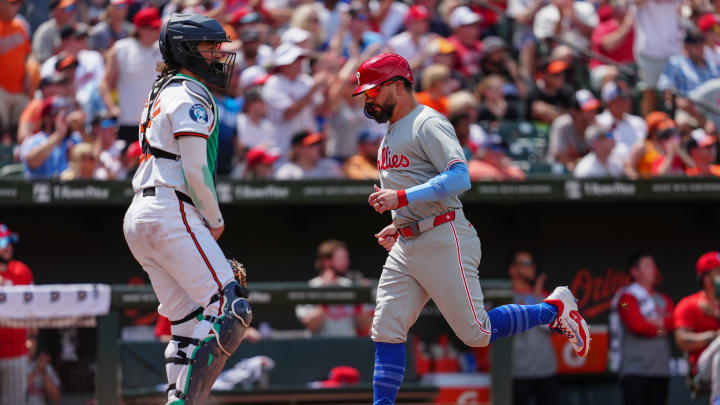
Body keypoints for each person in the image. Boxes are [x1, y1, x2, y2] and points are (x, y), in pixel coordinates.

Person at [354, 53, 590, 405]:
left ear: (398, 86)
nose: (368, 99)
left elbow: (458, 177)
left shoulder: (426, 122)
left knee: (477, 333)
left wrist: (401, 198)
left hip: (443, 235)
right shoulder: (391, 132)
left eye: (374, 91)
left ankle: (553, 309)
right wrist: (399, 221)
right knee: (385, 328)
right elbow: (417, 188)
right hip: (409, 241)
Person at [122, 14, 252, 405]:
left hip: (142, 215)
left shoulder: (163, 90)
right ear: (185, 50)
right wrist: (214, 219)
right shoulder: (190, 94)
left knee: (185, 325)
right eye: (209, 47)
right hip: (171, 208)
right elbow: (195, 169)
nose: (217, 55)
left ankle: (175, 398)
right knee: (233, 309)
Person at [609, 252, 673, 405]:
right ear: (634, 271)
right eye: (647, 266)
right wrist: (659, 328)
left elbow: (674, 323)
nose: (653, 269)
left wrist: (655, 325)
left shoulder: (664, 300)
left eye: (654, 265)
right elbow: (637, 326)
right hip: (635, 372)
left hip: (660, 370)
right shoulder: (625, 298)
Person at [99, 7, 163, 147]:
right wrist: (111, 108)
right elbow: (104, 83)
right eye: (153, 28)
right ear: (140, 28)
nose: (157, 31)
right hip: (129, 122)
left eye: (158, 27)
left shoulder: (164, 50)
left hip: (158, 123)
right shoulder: (121, 49)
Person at [507, 251, 559, 405]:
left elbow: (550, 327)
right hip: (517, 372)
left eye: (532, 264)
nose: (531, 268)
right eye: (526, 264)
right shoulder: (505, 297)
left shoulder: (543, 295)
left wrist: (537, 298)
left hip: (546, 369)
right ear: (513, 270)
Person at [295, 240, 373, 337]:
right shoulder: (312, 286)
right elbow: (311, 325)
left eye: (346, 258)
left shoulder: (349, 285)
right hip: (319, 347)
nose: (347, 262)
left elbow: (365, 326)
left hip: (349, 346)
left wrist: (357, 299)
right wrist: (327, 295)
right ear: (327, 262)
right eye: (341, 258)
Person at [262, 43, 327, 154]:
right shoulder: (274, 84)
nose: (300, 63)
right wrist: (313, 89)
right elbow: (289, 113)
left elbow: (322, 111)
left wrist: (329, 89)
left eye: (300, 59)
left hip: (308, 147)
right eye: (295, 60)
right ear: (283, 64)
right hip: (283, 148)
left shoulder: (306, 81)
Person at [674, 252, 720, 405]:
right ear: (706, 278)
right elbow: (682, 340)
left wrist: (715, 314)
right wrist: (713, 336)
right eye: (718, 272)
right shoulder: (690, 304)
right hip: (703, 369)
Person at [0, 224, 34, 405]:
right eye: (2, 242)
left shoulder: (22, 271)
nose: (7, 247)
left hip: (16, 353)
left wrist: (32, 342)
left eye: (9, 242)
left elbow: (33, 312)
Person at [633, 0, 682, 116]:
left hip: (673, 50)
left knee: (676, 93)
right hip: (649, 50)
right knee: (650, 91)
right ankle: (650, 129)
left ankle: (673, 128)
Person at [19, 96, 81, 178]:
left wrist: (81, 128)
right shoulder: (34, 140)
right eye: (57, 113)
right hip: (39, 189)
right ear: (46, 118)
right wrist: (58, 135)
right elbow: (32, 161)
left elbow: (94, 159)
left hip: (70, 189)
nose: (64, 117)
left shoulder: (75, 138)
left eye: (66, 112)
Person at [0, 0, 30, 138]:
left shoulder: (20, 27)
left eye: (18, 3)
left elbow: (26, 56)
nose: (17, 6)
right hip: (1, 89)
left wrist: (27, 76)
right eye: (13, 3)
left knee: (20, 126)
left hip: (19, 87)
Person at [547, 89, 600, 168]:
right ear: (575, 112)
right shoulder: (562, 125)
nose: (593, 113)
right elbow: (560, 157)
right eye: (588, 110)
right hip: (560, 173)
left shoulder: (597, 126)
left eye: (593, 108)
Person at [589, 0, 634, 91]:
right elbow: (608, 47)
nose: (626, 10)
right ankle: (608, 104)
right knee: (612, 73)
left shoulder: (635, 29)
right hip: (602, 69)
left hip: (628, 69)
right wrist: (626, 26)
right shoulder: (603, 27)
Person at [596, 80, 646, 159]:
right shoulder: (599, 123)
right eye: (623, 98)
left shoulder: (638, 122)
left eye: (628, 97)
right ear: (610, 102)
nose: (628, 101)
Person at [274, 131, 343, 179]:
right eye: (311, 145)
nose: (316, 148)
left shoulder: (329, 166)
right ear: (297, 148)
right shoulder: (287, 172)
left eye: (317, 144)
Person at [526, 58, 576, 124]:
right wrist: (561, 114)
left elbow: (574, 116)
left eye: (562, 73)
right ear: (543, 75)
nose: (561, 77)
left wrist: (548, 110)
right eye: (556, 74)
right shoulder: (533, 92)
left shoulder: (568, 91)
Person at [25, 335, 61, 405]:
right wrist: (36, 371)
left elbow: (55, 400)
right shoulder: (25, 366)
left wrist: (44, 373)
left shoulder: (49, 368)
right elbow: (20, 390)